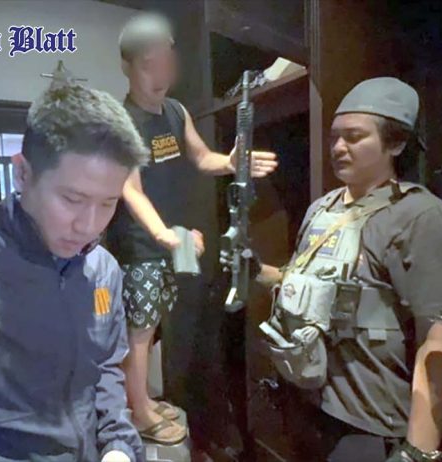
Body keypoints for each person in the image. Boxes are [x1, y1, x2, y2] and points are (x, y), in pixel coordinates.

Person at [0, 74, 149, 462]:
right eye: (72, 199)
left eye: (108, 203)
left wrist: (118, 447)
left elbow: (105, 370)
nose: (89, 225)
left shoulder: (103, 270)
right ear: (22, 173)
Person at [106, 13, 278, 445]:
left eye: (165, 60)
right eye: (148, 64)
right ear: (128, 66)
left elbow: (202, 158)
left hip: (175, 239)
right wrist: (164, 235)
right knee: (139, 331)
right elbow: (131, 190)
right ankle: (139, 411)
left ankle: (144, 399)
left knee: (158, 325)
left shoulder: (176, 111)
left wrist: (232, 161)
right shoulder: (121, 123)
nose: (159, 73)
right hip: (141, 244)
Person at [256, 77, 442, 462]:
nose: (339, 148)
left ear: (395, 143)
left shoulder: (421, 217)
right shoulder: (322, 209)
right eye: (335, 138)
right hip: (305, 400)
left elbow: (439, 341)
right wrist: (254, 269)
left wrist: (418, 451)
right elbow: (300, 284)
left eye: (355, 137)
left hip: (367, 421)